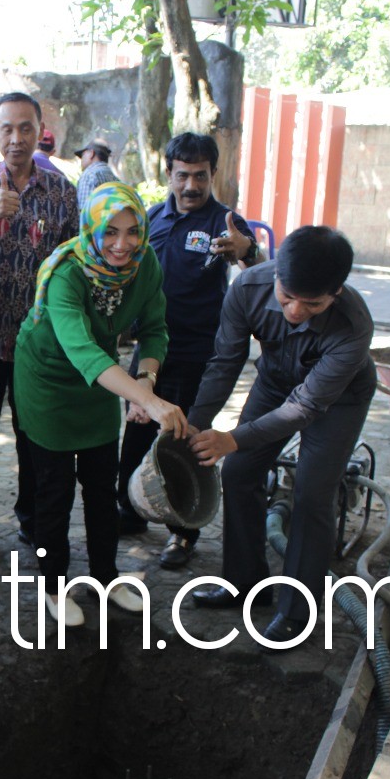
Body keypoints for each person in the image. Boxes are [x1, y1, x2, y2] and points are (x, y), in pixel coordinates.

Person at [187, 226, 375, 649]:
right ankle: (244, 584)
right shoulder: (247, 289)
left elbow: (305, 409)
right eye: (287, 296)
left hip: (337, 401)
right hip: (275, 383)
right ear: (276, 276)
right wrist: (198, 423)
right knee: (237, 473)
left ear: (337, 293)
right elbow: (224, 362)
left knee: (311, 493)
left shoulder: (354, 325)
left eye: (312, 304)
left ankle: (296, 611)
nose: (294, 311)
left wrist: (231, 437)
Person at [14, 182, 187, 625]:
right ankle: (54, 584)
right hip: (49, 379)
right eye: (110, 231)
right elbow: (82, 350)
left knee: (99, 483)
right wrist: (146, 397)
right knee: (53, 491)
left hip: (103, 383)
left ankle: (106, 577)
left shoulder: (144, 263)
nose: (121, 244)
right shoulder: (66, 273)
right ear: (91, 228)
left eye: (132, 231)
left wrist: (145, 383)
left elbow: (154, 329)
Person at [116, 132, 260, 569]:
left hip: (199, 354)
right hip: (149, 350)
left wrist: (247, 253)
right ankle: (130, 509)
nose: (192, 186)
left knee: (185, 438)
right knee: (137, 433)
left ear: (213, 174)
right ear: (169, 173)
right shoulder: (152, 218)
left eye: (201, 176)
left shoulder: (227, 223)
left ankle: (183, 532)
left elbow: (265, 273)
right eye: (183, 175)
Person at [0, 91, 79, 563]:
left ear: (38, 130)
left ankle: (31, 520)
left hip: (35, 341)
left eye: (25, 128)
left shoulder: (62, 190)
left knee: (34, 436)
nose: (16, 138)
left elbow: (72, 263)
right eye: (7, 128)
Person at [74, 140, 117, 212]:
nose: (81, 160)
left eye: (83, 155)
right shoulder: (114, 178)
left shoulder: (88, 175)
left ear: (91, 153)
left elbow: (84, 212)